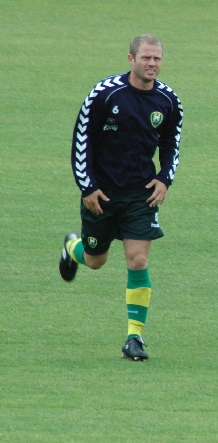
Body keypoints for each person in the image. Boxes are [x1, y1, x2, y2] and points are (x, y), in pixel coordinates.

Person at [59, 34, 184, 361]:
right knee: (95, 261)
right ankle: (72, 248)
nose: (152, 64)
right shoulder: (104, 95)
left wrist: (164, 179)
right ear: (131, 59)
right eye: (146, 58)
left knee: (138, 260)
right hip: (101, 193)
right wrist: (87, 187)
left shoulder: (169, 101)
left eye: (157, 58)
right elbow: (80, 142)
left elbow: (172, 144)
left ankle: (134, 339)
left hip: (141, 194)